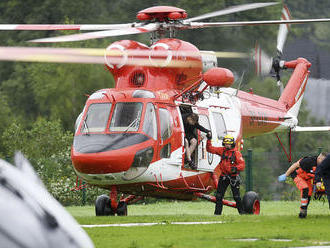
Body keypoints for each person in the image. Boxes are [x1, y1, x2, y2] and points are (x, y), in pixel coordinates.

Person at [278, 152, 326, 218]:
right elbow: (295, 165)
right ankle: (303, 210)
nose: (324, 163)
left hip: (307, 178)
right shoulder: (308, 161)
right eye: (323, 161)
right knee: (304, 188)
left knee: (309, 193)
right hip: (297, 175)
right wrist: (286, 175)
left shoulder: (323, 165)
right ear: (319, 158)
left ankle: (304, 210)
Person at [206, 134, 245, 215]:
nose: (227, 145)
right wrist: (209, 140)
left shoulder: (236, 153)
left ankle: (242, 214)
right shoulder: (222, 150)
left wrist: (236, 168)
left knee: (236, 197)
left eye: (229, 144)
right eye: (226, 143)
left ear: (232, 144)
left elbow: (242, 165)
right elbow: (210, 149)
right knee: (219, 196)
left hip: (233, 177)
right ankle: (217, 214)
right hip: (223, 176)